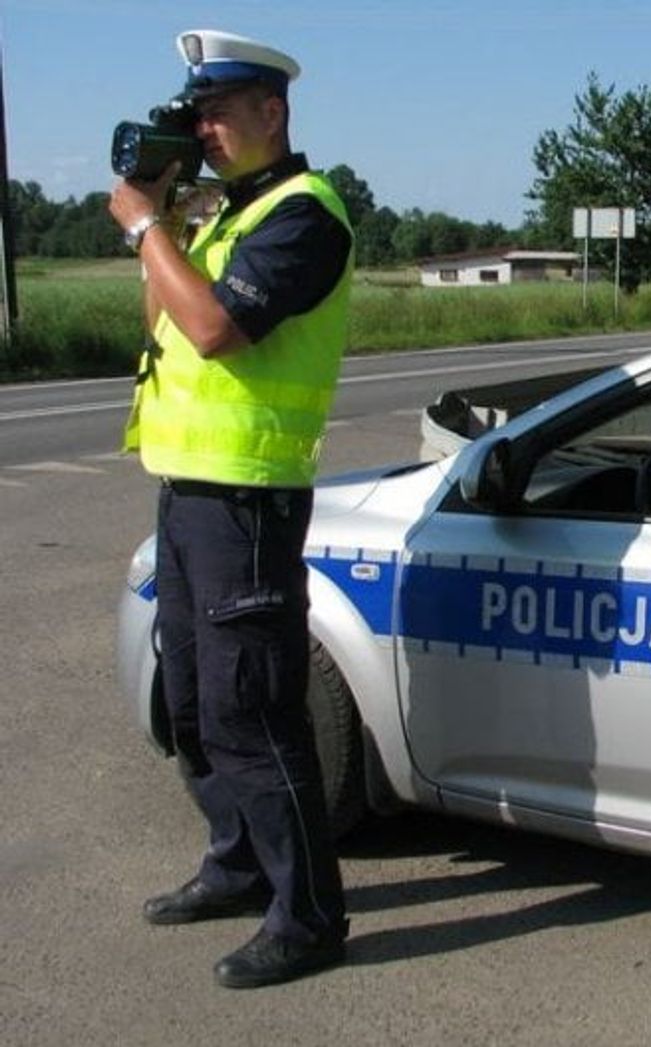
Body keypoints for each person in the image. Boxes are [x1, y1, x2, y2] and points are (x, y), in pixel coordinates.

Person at [109, 29, 354, 989]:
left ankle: (309, 916)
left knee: (253, 710)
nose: (205, 129)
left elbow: (211, 328)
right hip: (185, 490)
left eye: (219, 111)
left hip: (248, 500)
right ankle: (238, 861)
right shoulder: (222, 217)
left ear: (271, 112)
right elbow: (161, 318)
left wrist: (142, 228)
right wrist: (164, 225)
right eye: (196, 114)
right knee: (193, 706)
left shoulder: (306, 214)